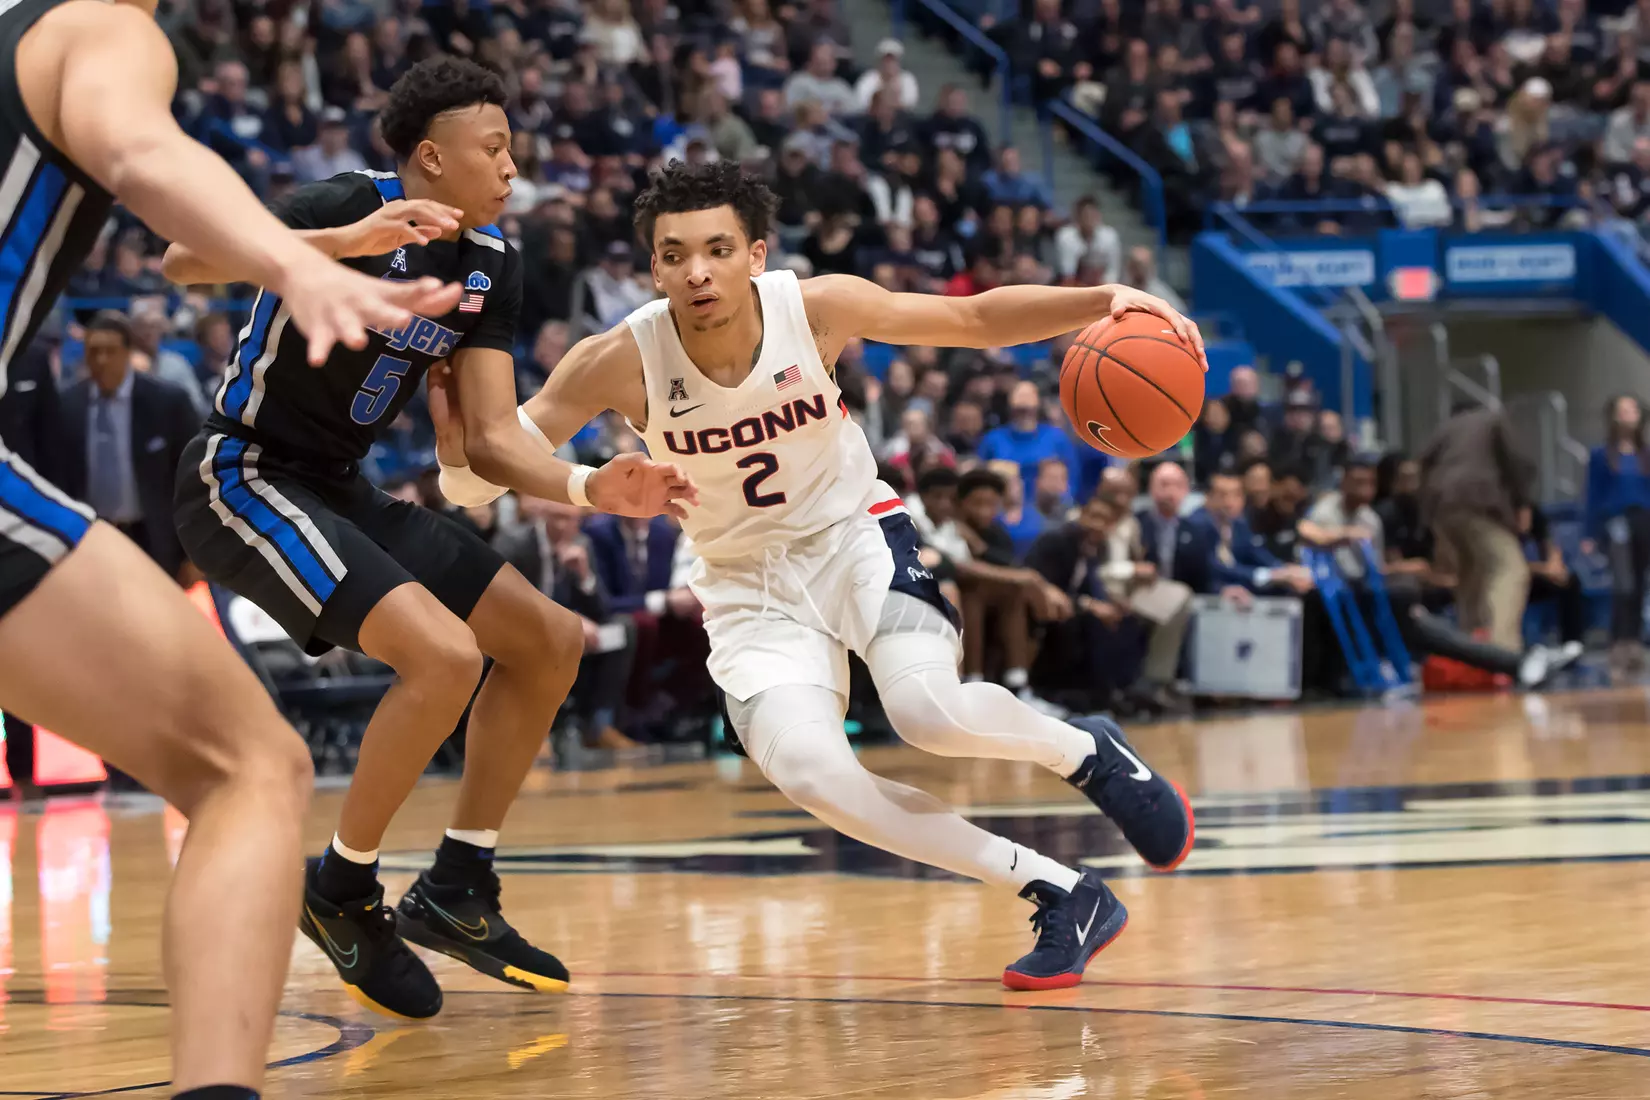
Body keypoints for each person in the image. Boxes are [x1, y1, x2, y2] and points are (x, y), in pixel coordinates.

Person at [437, 160, 1202, 991]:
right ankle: (1060, 891)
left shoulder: (817, 307)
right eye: (675, 254)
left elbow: (973, 318)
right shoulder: (616, 359)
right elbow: (475, 476)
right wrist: (459, 448)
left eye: (718, 249)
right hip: (743, 586)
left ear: (755, 254)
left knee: (926, 710)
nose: (697, 270)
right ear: (652, 267)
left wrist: (1103, 301)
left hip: (853, 538)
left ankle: (1091, 753)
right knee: (812, 775)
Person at [0, 0, 487, 1096]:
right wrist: (299, 263)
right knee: (249, 767)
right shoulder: (91, 27)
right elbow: (141, 152)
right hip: (251, 473)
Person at [162, 57, 694, 1021]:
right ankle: (340, 889)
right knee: (445, 658)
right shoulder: (341, 201)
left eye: (513, 148)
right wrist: (333, 243)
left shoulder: (495, 263)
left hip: (339, 488)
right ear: (428, 158)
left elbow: (491, 439)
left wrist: (592, 487)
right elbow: (182, 261)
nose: (511, 166)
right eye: (492, 148)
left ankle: (458, 883)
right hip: (241, 472)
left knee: (549, 641)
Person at [58, 312, 199, 582]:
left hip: (153, 537)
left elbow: (191, 481)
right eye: (93, 351)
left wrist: (192, 554)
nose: (101, 360)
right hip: (90, 538)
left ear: (128, 353)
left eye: (110, 351)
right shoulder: (67, 405)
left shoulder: (167, 402)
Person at [1583, 395, 1650, 668]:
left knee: (1640, 581)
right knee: (1623, 582)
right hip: (1616, 522)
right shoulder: (1601, 456)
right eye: (1623, 410)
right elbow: (1592, 495)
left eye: (1632, 409)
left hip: (1644, 520)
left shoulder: (1646, 454)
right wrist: (1589, 533)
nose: (1628, 415)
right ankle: (1619, 640)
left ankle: (1634, 640)